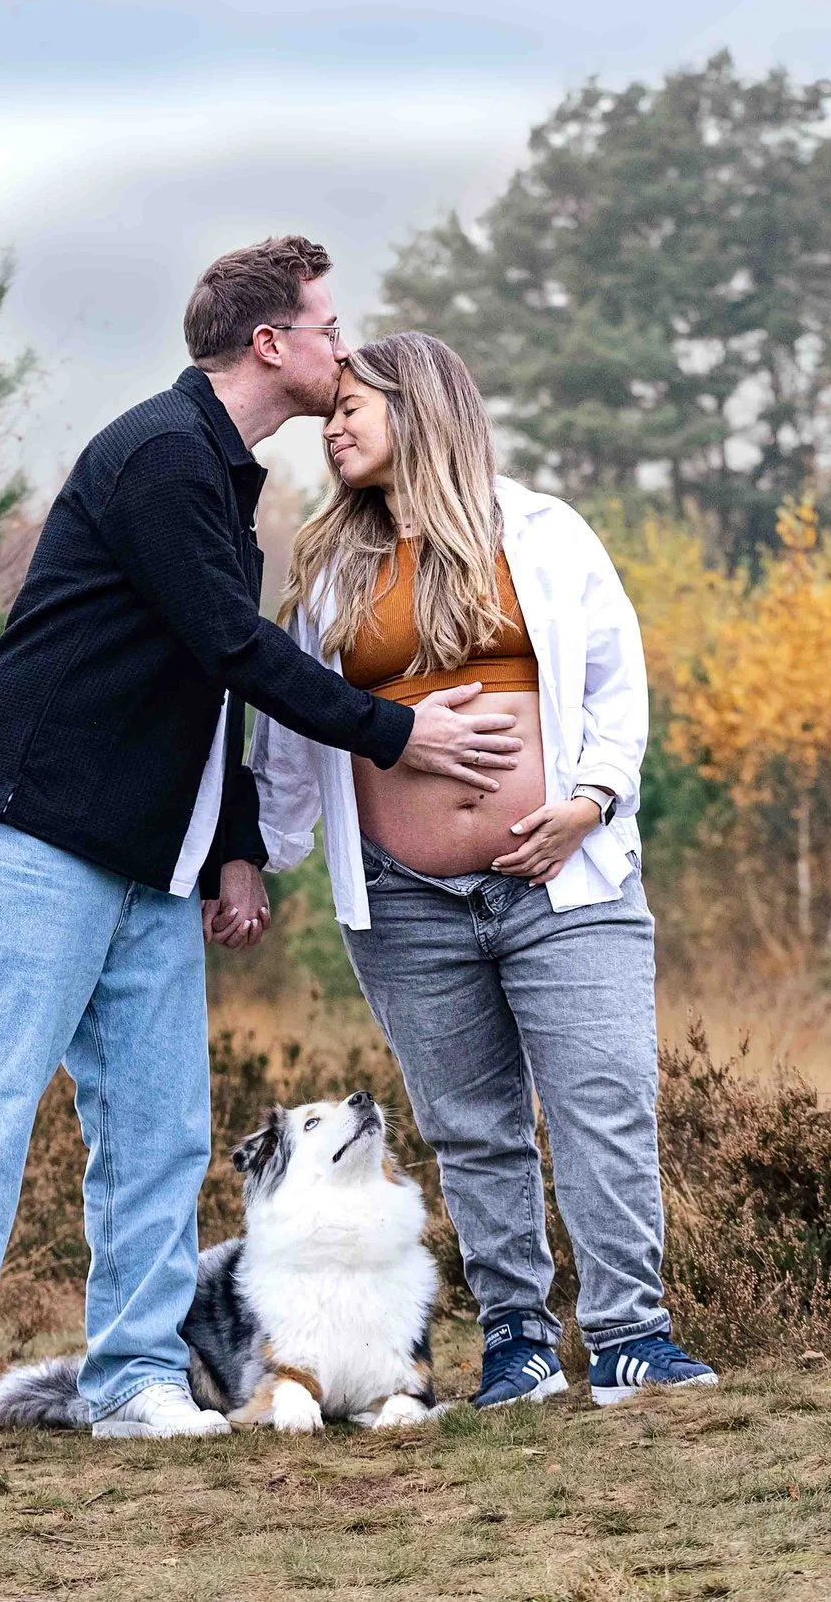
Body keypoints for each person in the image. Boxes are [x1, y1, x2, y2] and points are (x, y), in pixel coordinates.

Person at [0, 241, 528, 1476]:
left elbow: (200, 689)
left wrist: (231, 851)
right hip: (36, 825)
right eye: (329, 324)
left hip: (150, 855)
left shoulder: (225, 480)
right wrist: (402, 728)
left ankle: (130, 1375)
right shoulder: (161, 455)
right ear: (271, 344)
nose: (346, 346)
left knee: (161, 1128)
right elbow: (235, 646)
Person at [251, 330, 718, 1410]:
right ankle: (517, 1340)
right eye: (328, 410)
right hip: (405, 897)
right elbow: (287, 738)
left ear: (419, 407)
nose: (333, 423)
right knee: (471, 1124)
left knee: (601, 1101)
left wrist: (589, 804)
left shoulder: (544, 533)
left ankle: (632, 1332)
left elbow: (613, 685)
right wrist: (258, 864)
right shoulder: (329, 566)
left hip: (562, 880)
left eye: (351, 403)